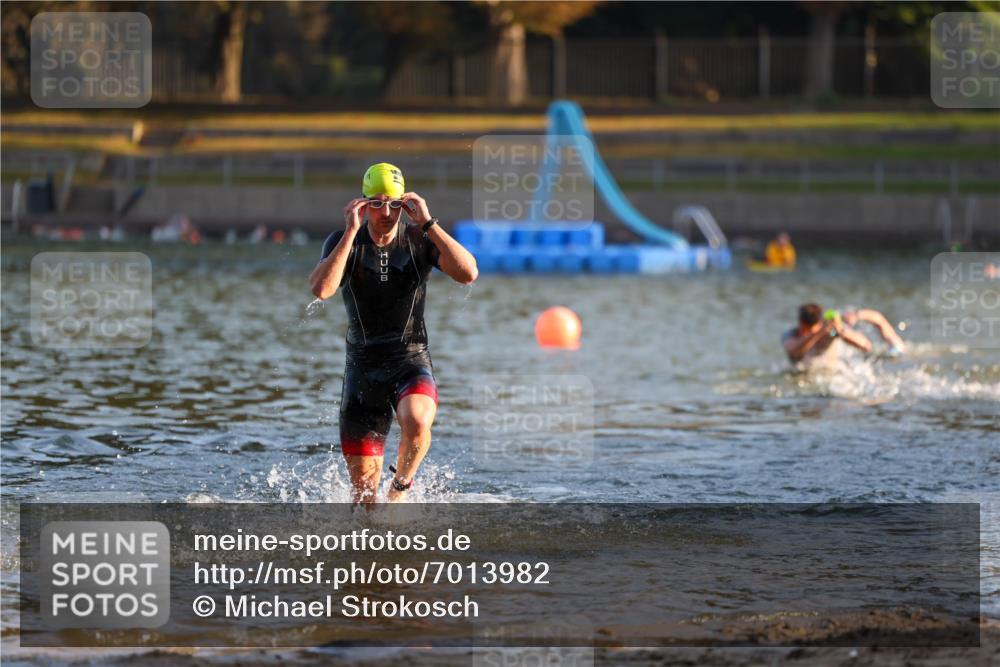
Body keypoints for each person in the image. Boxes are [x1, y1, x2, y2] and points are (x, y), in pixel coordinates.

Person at [309, 163, 478, 504]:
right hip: (362, 369)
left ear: (406, 204)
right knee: (364, 502)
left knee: (416, 419)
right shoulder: (344, 241)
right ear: (362, 204)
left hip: (409, 359)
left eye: (394, 204)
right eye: (377, 203)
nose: (386, 212)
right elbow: (321, 289)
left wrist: (429, 223)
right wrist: (349, 233)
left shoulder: (419, 239)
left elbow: (469, 273)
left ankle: (400, 488)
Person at [782, 303, 872, 367]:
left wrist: (840, 332)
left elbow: (866, 346)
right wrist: (817, 334)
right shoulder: (791, 334)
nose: (804, 333)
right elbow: (794, 353)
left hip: (830, 376)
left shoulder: (830, 333)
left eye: (809, 330)